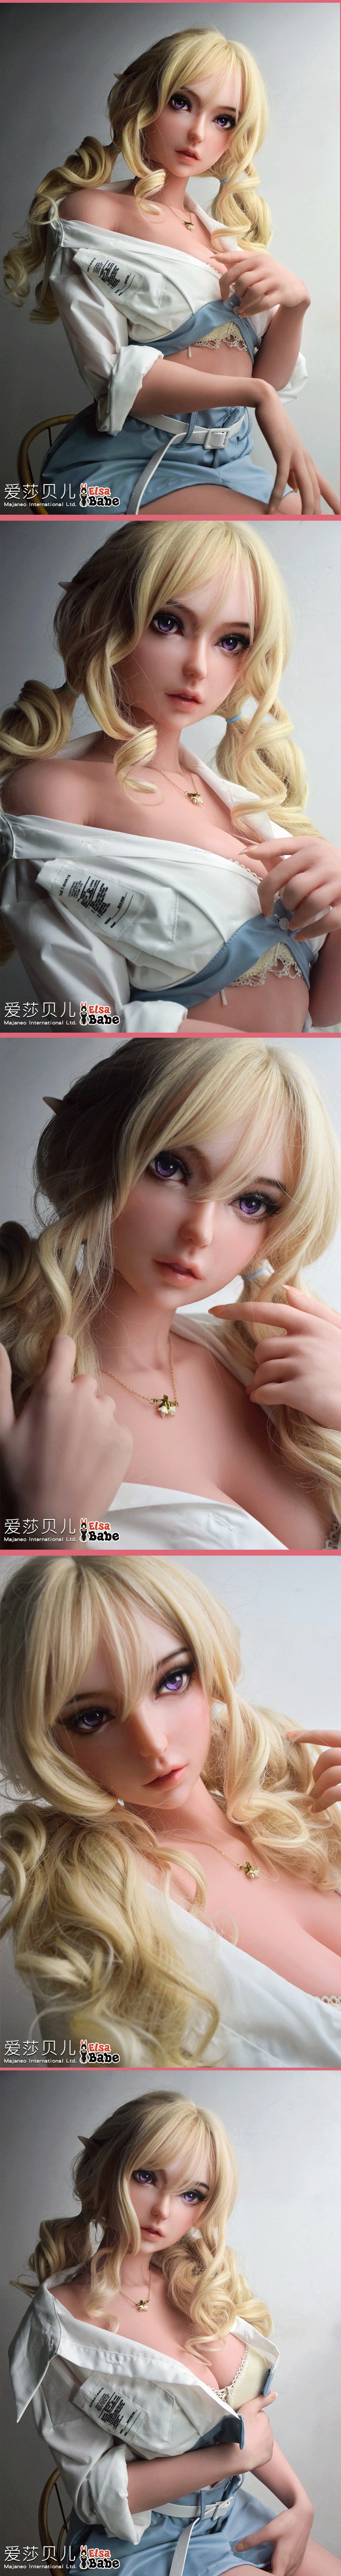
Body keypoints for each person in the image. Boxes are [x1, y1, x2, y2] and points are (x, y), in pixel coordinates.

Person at [1, 1033, 341, 1554]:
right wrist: (47, 1531)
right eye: (170, 1168)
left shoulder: (260, 1360)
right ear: (94, 1155)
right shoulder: (15, 1383)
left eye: (252, 1202)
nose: (200, 1232)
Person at [2, 1552, 341, 2069]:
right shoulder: (94, 1913)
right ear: (45, 1739)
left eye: (172, 1680)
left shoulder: (308, 1798)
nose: (153, 1743)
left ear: (208, 1666)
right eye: (92, 1717)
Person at [1, 525, 341, 1034]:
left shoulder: (246, 807)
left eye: (231, 641)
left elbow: (326, 1012)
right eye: (168, 623)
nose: (199, 667)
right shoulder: (58, 792)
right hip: (190, 1072)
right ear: (103, 619)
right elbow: (90, 1020)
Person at [5, 27, 337, 522]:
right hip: (120, 470)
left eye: (223, 119)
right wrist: (257, 395)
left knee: (323, 524)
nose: (199, 133)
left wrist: (296, 307)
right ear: (144, 100)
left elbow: (266, 377)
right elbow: (114, 380)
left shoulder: (222, 236)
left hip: (229, 463)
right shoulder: (94, 212)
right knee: (300, 523)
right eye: (182, 103)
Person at [10, 2084, 337, 2576]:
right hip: (138, 2542)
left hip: (228, 2513)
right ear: (104, 2167)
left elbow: (244, 2425)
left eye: (191, 2195)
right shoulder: (61, 2326)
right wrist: (231, 2458)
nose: (163, 2210)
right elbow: (95, 2493)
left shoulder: (191, 2282)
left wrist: (300, 2502)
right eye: (146, 2177)